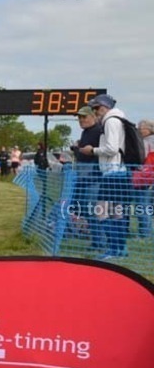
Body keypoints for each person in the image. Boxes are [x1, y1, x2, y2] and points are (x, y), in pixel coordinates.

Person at [78, 94, 129, 260]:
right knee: (117, 212)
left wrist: (93, 150)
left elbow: (112, 148)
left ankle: (113, 249)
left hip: (111, 172)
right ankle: (121, 248)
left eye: (96, 108)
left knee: (101, 211)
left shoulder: (110, 121)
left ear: (104, 107)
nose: (95, 111)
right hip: (119, 171)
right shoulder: (118, 119)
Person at [69, 106, 103, 249]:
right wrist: (77, 149)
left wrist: (78, 150)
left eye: (84, 117)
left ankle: (100, 241)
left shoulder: (98, 131)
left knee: (93, 209)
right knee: (86, 209)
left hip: (93, 177)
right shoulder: (86, 132)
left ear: (93, 117)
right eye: (79, 117)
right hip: (84, 177)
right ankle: (96, 240)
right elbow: (83, 154)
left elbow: (93, 153)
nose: (81, 120)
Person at [136, 119, 154, 238]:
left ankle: (145, 233)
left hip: (145, 177)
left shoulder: (147, 142)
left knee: (142, 204)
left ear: (149, 129)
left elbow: (141, 158)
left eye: (141, 128)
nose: (139, 130)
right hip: (150, 177)